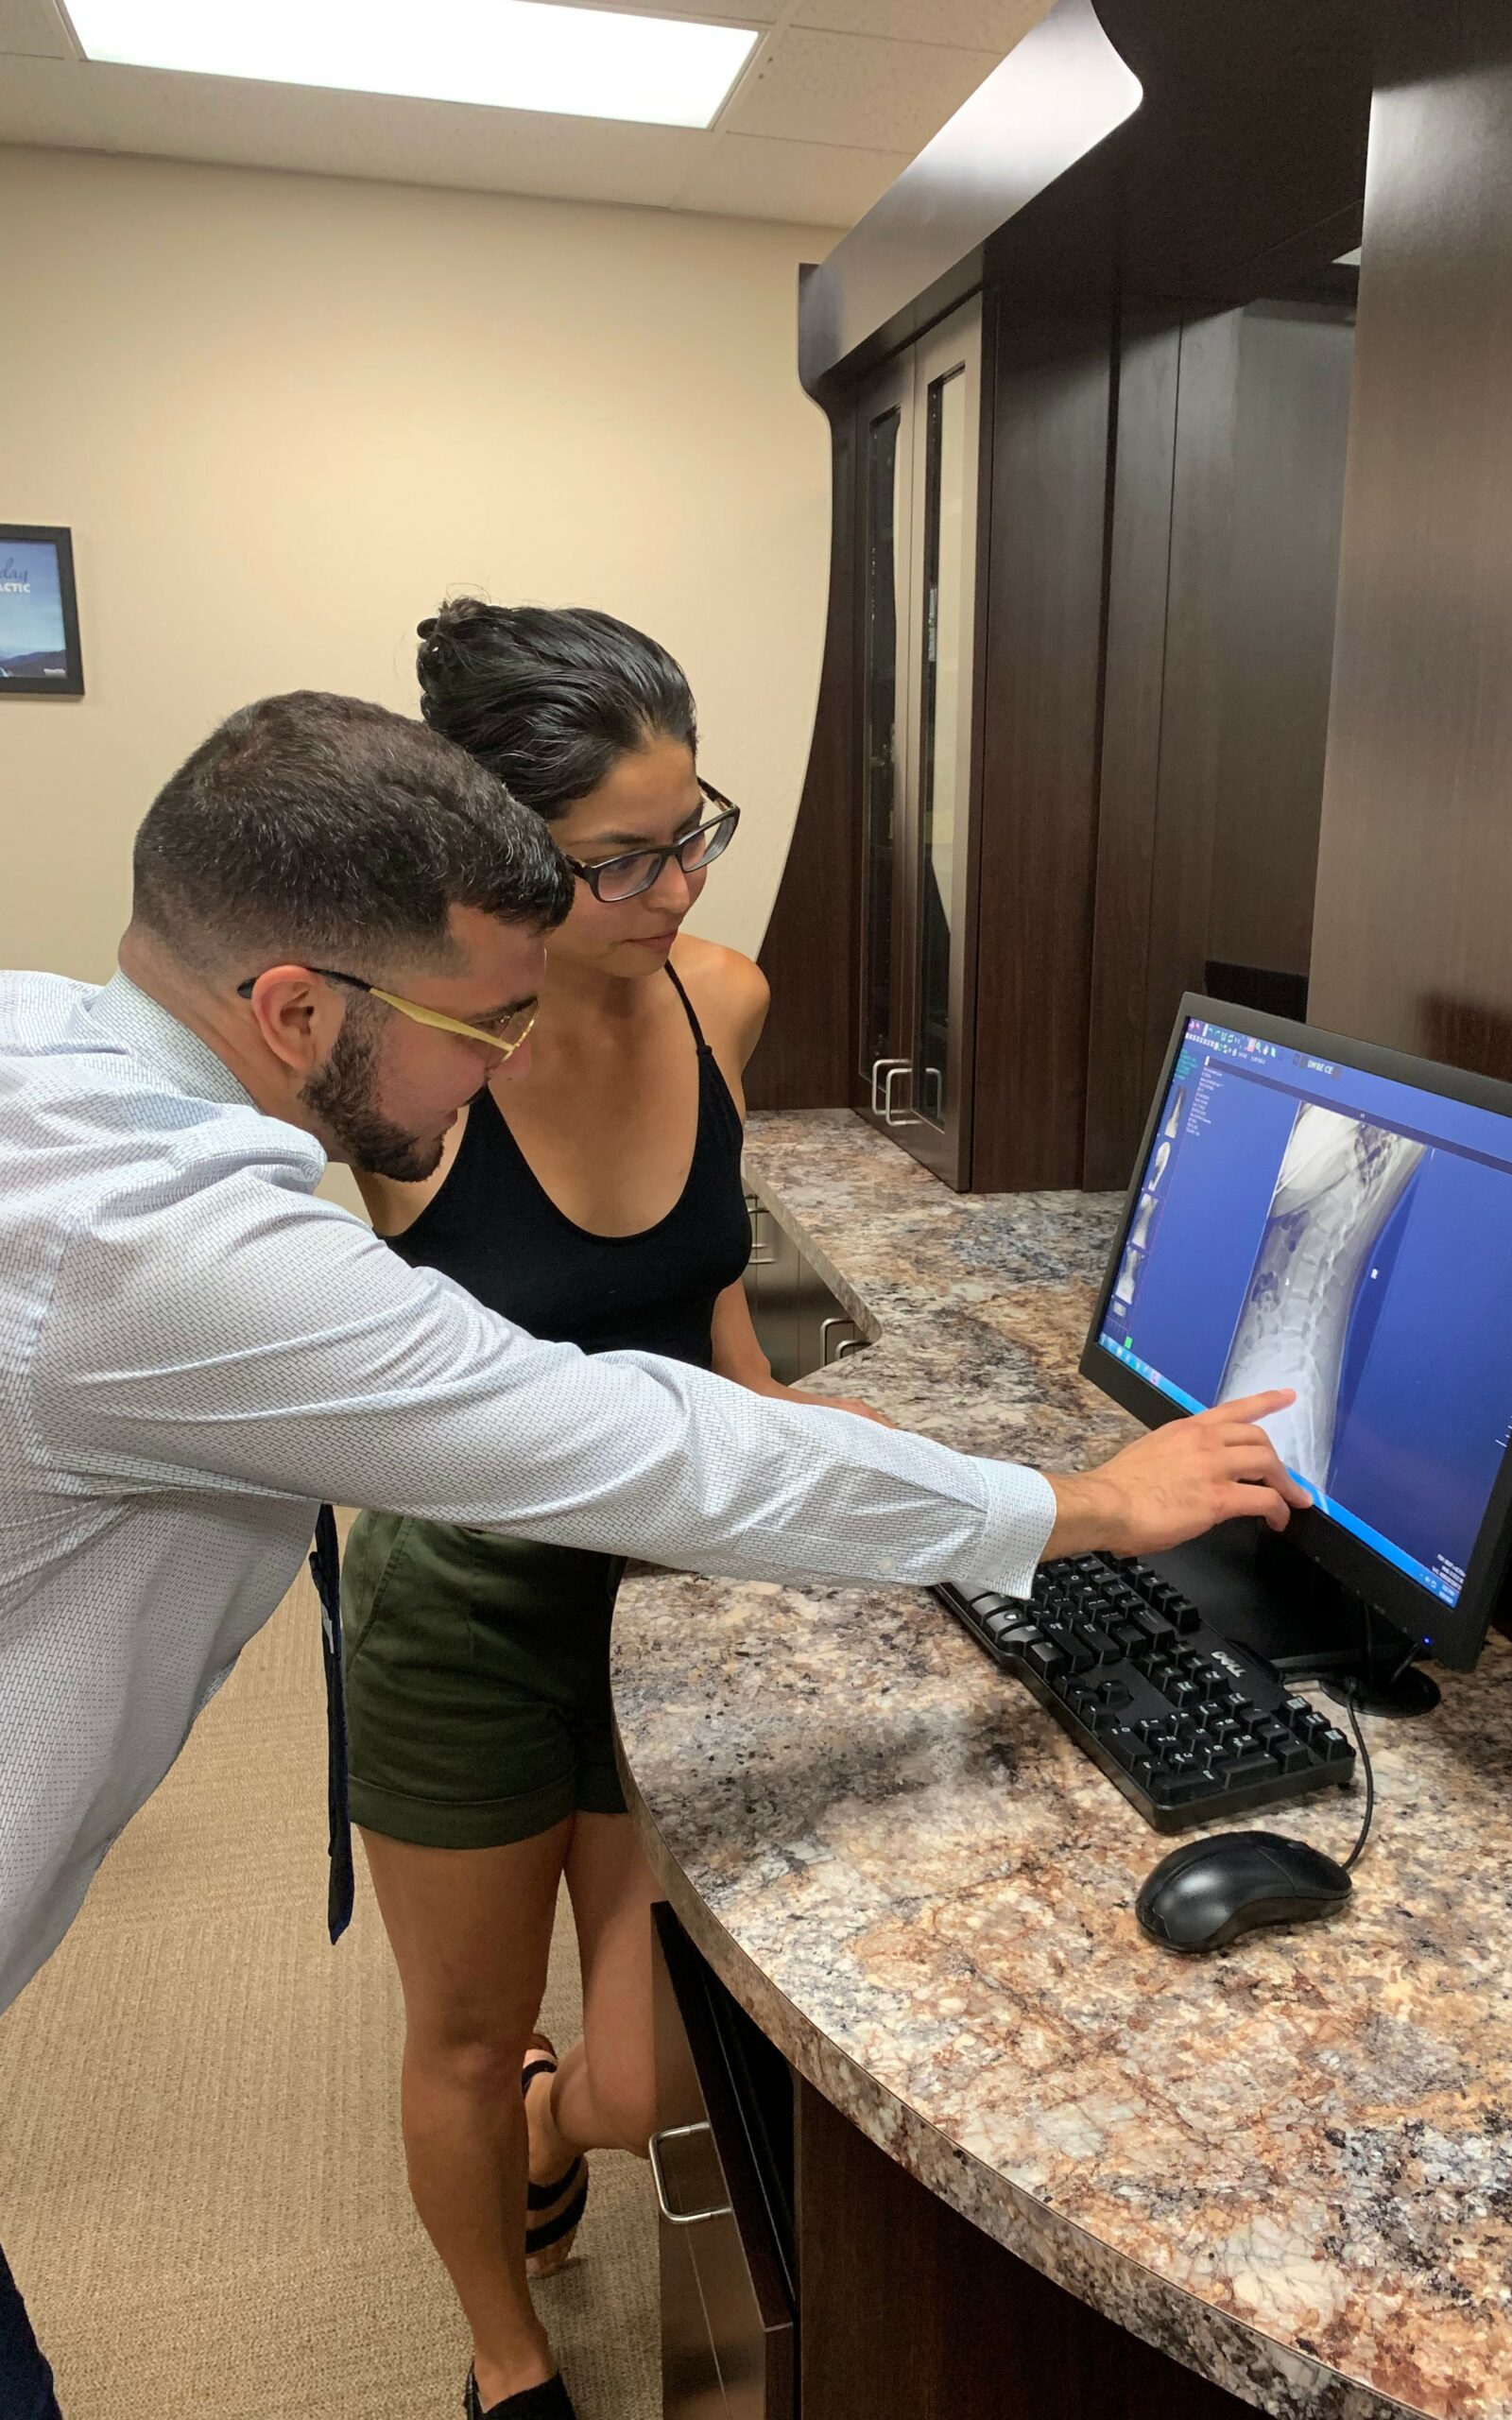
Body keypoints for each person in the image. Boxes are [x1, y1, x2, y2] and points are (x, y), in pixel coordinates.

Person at [0, 688, 1308, 2420]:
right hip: (465, 1605)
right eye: (481, 1025)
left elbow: (697, 1389)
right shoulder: (158, 1247)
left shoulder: (46, 1045)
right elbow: (633, 1442)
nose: (502, 1063)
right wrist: (1088, 1509)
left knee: (636, 2062)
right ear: (296, 1008)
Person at [341, 600, 887, 2417]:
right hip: (472, 1608)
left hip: (672, 1590)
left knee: (652, 2078)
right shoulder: (411, 1071)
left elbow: (703, 1286)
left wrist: (789, 1423)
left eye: (691, 832)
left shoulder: (719, 997)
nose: (678, 888)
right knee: (463, 2030)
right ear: (502, 860)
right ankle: (507, 2361)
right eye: (622, 861)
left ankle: (549, 2125)